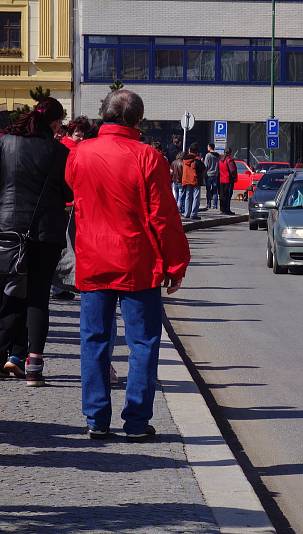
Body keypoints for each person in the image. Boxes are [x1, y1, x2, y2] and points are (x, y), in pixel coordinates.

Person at [66, 89, 190, 441]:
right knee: (144, 343)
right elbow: (163, 217)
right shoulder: (148, 157)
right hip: (137, 261)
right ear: (137, 119)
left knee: (94, 340)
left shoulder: (79, 154)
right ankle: (136, 421)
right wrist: (176, 263)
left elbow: (73, 191)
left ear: (104, 114)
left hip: (93, 257)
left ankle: (96, 418)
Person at [0, 98, 69, 386]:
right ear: (53, 123)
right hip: (44, 232)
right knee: (38, 296)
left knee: (9, 293)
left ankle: (3, 357)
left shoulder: (4, 144)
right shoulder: (58, 151)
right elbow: (67, 191)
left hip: (7, 229)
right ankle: (34, 366)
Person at [52, 116, 91, 301]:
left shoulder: (69, 147)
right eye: (78, 134)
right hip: (70, 204)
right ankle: (63, 284)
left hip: (71, 203)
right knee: (68, 247)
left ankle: (61, 285)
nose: (81, 138)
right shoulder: (68, 149)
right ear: (70, 133)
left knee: (66, 247)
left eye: (83, 134)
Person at [181, 143, 205, 220]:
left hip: (186, 180)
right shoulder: (196, 160)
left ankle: (186, 213)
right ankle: (193, 214)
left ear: (189, 150)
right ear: (196, 151)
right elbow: (203, 168)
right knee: (196, 197)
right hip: (195, 180)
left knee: (188, 197)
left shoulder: (184, 159)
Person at [218, 148, 236, 215]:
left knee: (222, 195)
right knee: (228, 195)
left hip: (221, 179)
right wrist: (234, 177)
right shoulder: (229, 160)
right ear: (230, 153)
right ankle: (227, 210)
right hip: (228, 180)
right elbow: (232, 170)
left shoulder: (221, 160)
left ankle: (222, 209)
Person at [204, 144, 220, 211]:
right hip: (215, 174)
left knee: (208, 190)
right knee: (215, 191)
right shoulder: (217, 155)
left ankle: (208, 204)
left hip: (209, 174)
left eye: (208, 146)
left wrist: (204, 173)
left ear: (210, 147)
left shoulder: (208, 155)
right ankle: (215, 205)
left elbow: (206, 165)